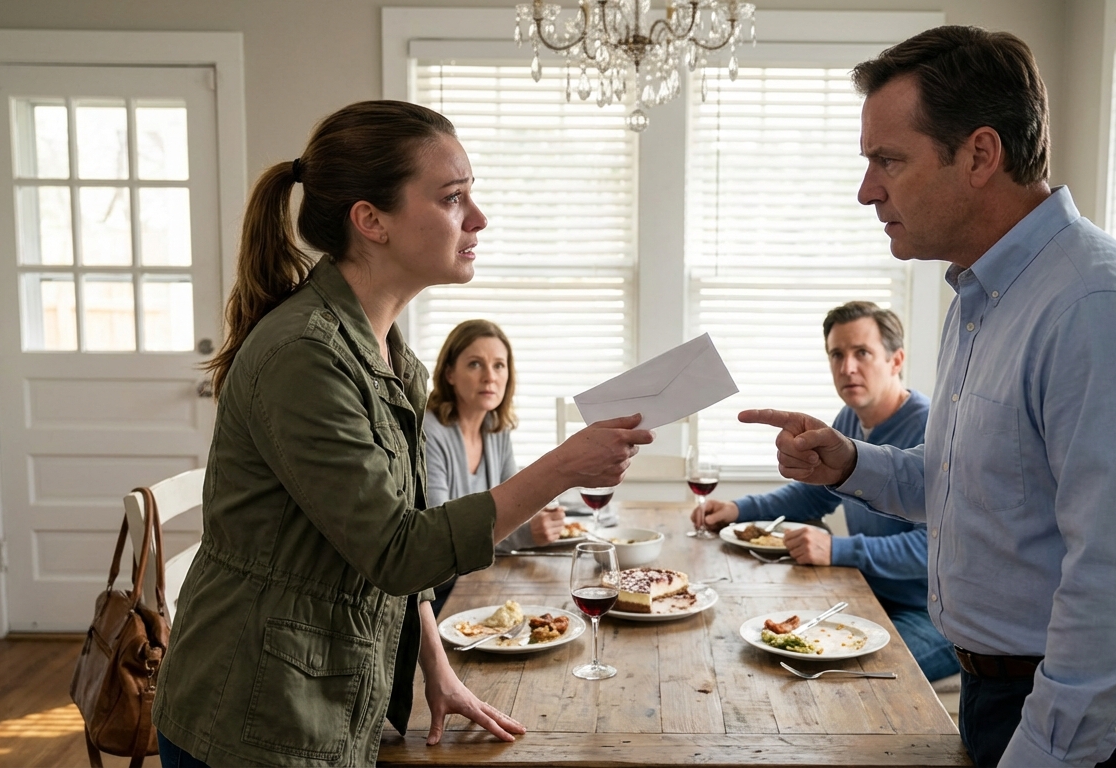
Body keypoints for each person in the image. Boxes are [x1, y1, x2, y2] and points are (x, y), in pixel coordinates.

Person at [742, 27, 1116, 768]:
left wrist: (1043, 752)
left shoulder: (1096, 306)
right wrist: (850, 461)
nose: (867, 190)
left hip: (1081, 716)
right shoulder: (981, 295)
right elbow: (964, 485)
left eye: (888, 161)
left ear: (981, 155)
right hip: (1001, 691)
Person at [151, 101, 652, 768]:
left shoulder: (391, 357)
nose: (477, 218)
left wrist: (433, 665)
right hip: (255, 716)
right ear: (371, 220)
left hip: (324, 698)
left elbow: (394, 532)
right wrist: (563, 467)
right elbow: (398, 550)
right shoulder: (306, 355)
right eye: (453, 198)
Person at [692, 301, 958, 681]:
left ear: (896, 360)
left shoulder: (933, 428)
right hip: (866, 596)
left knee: (836, 675)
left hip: (930, 614)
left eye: (862, 353)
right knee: (762, 647)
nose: (847, 367)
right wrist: (737, 509)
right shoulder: (849, 418)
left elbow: (933, 548)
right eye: (837, 354)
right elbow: (813, 495)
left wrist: (837, 549)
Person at [423, 318, 568, 614]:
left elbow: (515, 507)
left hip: (479, 575)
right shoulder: (429, 431)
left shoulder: (496, 428)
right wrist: (527, 534)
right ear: (449, 373)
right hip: (437, 594)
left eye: (499, 365)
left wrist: (536, 520)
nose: (490, 377)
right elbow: (442, 540)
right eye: (475, 364)